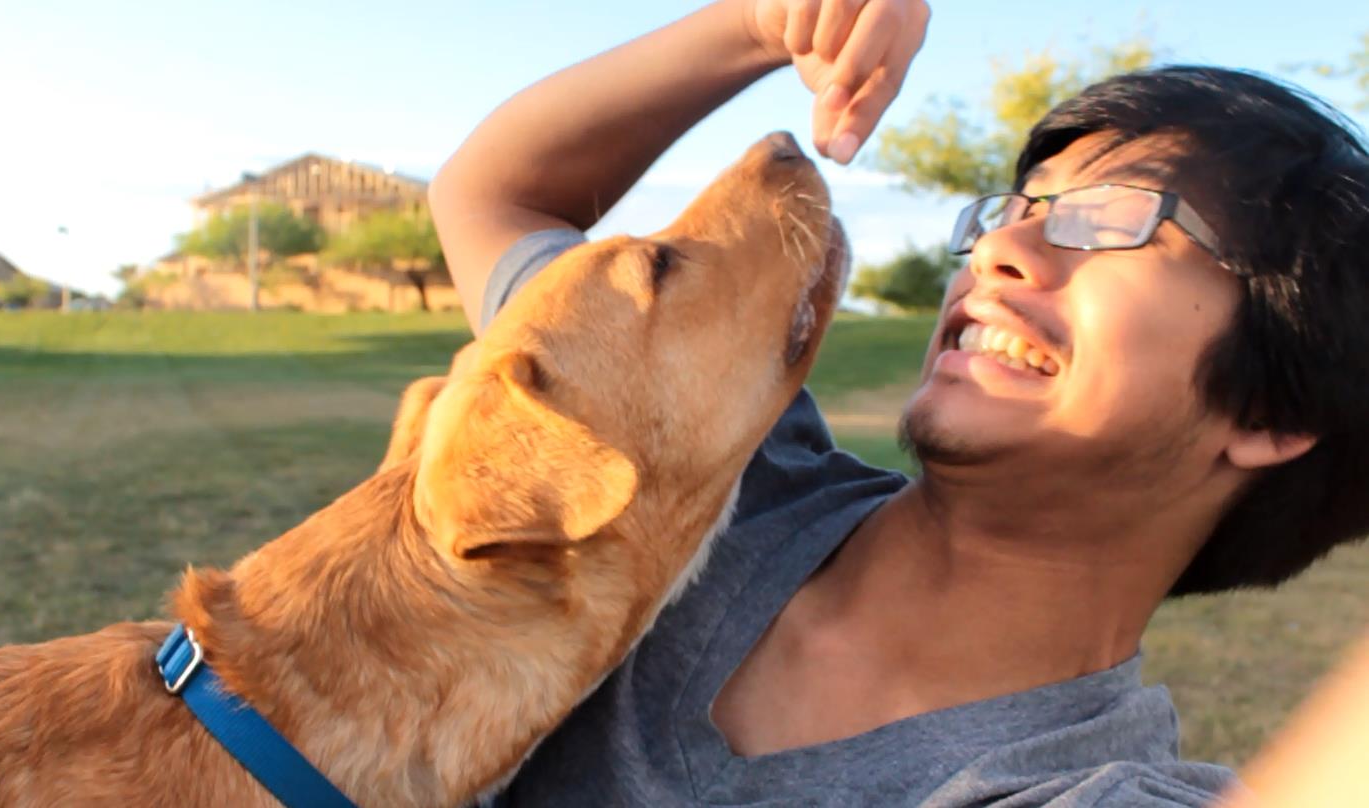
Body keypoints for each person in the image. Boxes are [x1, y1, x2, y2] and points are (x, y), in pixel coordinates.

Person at [427, 0, 1369, 804]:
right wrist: (759, 23)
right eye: (1016, 209)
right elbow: (500, 197)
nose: (997, 252)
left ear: (1274, 414)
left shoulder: (1075, 786)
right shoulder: (712, 480)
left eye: (1112, 221)